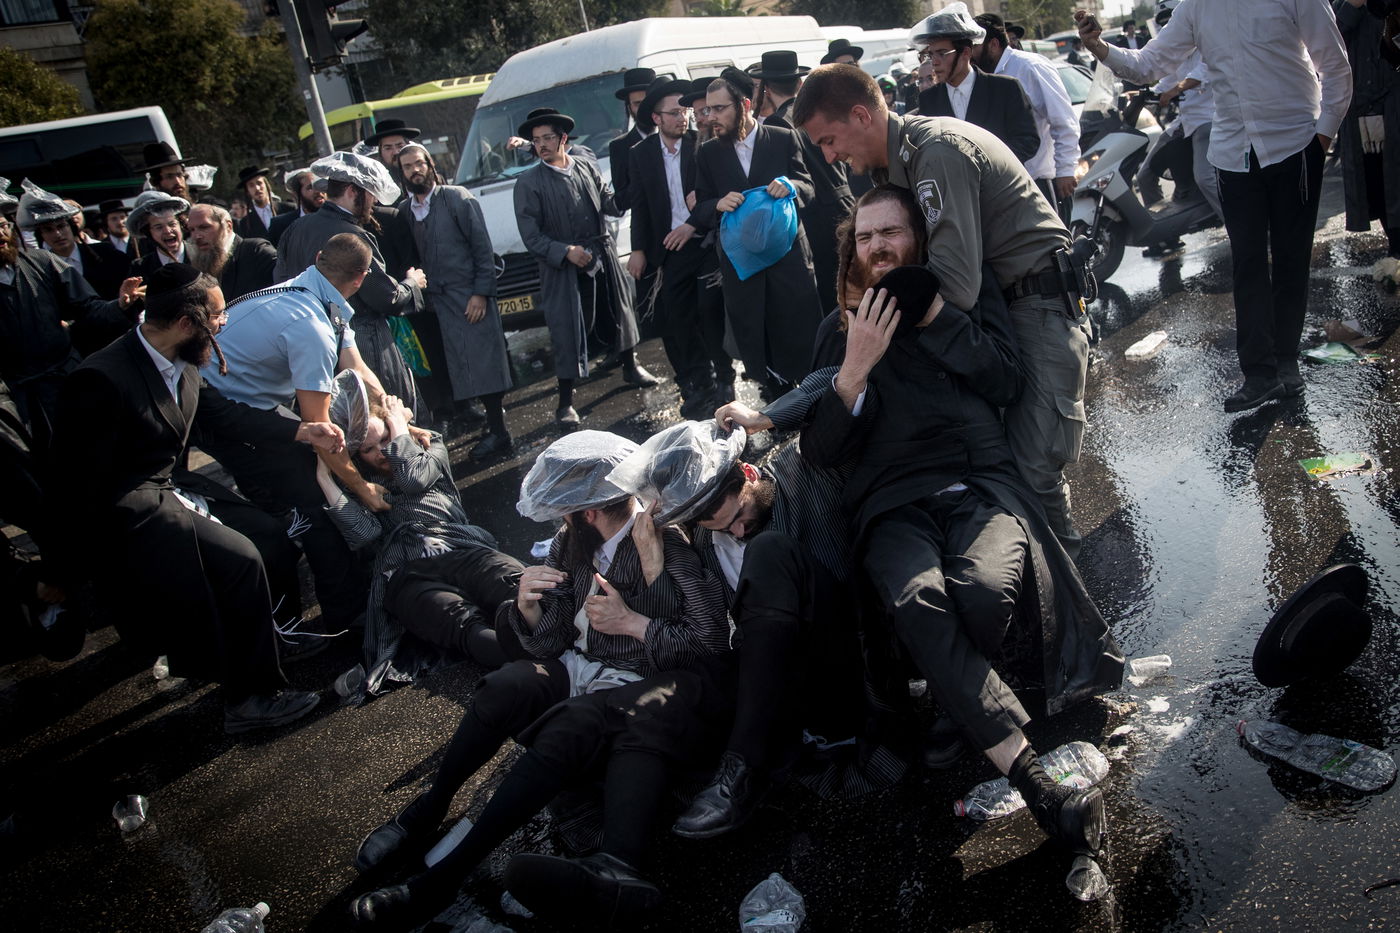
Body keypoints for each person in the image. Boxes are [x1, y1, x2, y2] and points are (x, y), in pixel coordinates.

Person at [794, 185, 1122, 866]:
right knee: (917, 596)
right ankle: (1036, 782)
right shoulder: (838, 329)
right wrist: (853, 368)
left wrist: (939, 314)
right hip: (891, 506)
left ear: (919, 239)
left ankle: (955, 706)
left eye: (892, 232)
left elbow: (1005, 380)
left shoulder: (962, 304)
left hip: (978, 485)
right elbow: (820, 451)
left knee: (977, 590)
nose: (878, 246)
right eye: (865, 236)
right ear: (850, 251)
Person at [349, 430, 729, 928]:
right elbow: (549, 643)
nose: (563, 521)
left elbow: (708, 643)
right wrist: (526, 608)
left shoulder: (666, 541)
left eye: (567, 511)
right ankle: (429, 806)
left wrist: (637, 614)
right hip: (580, 670)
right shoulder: (573, 544)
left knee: (568, 725)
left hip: (643, 685)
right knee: (510, 683)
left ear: (587, 510)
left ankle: (439, 881)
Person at [793, 65, 1092, 559]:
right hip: (1001, 304)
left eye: (828, 139)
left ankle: (1071, 595)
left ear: (862, 115)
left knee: (1034, 468)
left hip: (1037, 303)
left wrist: (869, 329)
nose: (830, 156)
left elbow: (952, 286)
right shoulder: (896, 164)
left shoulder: (936, 152)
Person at [48, 264, 338, 733]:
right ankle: (249, 697)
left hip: (171, 485)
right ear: (187, 324)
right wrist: (59, 571)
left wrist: (302, 430)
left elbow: (225, 415)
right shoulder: (100, 378)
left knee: (268, 534)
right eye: (218, 316)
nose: (224, 324)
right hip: (127, 505)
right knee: (239, 559)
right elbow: (71, 481)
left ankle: (270, 638)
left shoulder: (182, 361)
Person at [1076, 1, 1353, 410]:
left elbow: (1336, 68)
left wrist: (1322, 139)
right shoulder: (1197, 8)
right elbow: (1149, 63)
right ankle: (1259, 374)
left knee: (1292, 260)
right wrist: (1099, 46)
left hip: (1294, 144)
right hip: (1233, 154)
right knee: (1248, 263)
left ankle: (1286, 362)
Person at [608, 420, 872, 838]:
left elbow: (845, 397)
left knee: (767, 550)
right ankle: (739, 764)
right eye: (719, 527)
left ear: (747, 475)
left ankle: (741, 766)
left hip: (850, 646)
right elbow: (698, 638)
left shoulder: (797, 470)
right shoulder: (706, 544)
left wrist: (766, 415)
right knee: (714, 658)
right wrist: (653, 565)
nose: (737, 531)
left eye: (739, 516)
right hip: (794, 686)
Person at [199, 234, 405, 636]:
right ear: (362, 279)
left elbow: (358, 368)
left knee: (319, 480)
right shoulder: (310, 324)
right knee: (315, 505)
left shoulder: (315, 288)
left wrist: (396, 416)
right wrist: (363, 489)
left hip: (248, 398)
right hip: (219, 413)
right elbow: (320, 433)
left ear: (318, 257)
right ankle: (343, 621)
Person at [313, 373, 507, 690]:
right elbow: (364, 534)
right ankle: (535, 662)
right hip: (407, 571)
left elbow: (413, 479)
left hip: (459, 548)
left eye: (387, 439)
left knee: (510, 586)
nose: (380, 452)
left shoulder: (429, 445)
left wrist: (400, 427)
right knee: (460, 622)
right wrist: (327, 473)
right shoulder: (360, 484)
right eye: (368, 449)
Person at [513, 107, 658, 424]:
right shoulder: (528, 183)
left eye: (548, 138)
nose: (542, 145)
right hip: (563, 270)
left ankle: (630, 367)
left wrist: (634, 185)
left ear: (563, 138)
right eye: (536, 141)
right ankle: (565, 403)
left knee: (618, 312)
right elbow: (531, 236)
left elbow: (609, 202)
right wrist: (565, 251)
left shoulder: (585, 167)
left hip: (601, 254)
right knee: (568, 331)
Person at [694, 67, 824, 400]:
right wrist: (718, 204)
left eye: (720, 108)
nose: (711, 117)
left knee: (798, 328)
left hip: (789, 257)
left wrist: (790, 186)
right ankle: (776, 396)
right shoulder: (708, 153)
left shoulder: (782, 137)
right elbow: (700, 206)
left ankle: (811, 395)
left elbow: (809, 187)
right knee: (756, 329)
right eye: (708, 109)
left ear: (745, 105)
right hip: (742, 264)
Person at [275, 151, 428, 412]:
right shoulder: (353, 235)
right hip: (364, 345)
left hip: (312, 348)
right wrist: (413, 283)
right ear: (350, 190)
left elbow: (282, 283)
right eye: (369, 193)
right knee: (391, 420)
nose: (373, 201)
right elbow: (387, 298)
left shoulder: (295, 229)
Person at [395, 143, 514, 461]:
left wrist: (481, 293)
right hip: (437, 302)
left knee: (484, 362)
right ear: (401, 173)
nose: (414, 170)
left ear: (430, 164)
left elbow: (482, 248)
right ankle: (484, 425)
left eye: (418, 164)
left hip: (470, 295)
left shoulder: (456, 197)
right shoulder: (406, 211)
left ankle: (499, 431)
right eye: (407, 167)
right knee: (459, 366)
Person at [627, 78, 737, 419]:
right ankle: (696, 383)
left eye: (684, 111)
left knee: (710, 310)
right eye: (674, 113)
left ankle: (725, 378)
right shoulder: (641, 155)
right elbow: (640, 205)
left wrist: (698, 216)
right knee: (678, 317)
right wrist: (638, 249)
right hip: (668, 248)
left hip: (703, 241)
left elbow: (716, 194)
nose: (682, 118)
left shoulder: (701, 145)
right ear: (656, 119)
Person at [0, 210, 139, 449]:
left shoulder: (42, 262)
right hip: (16, 398)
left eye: (3, 225)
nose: (1, 234)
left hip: (65, 382)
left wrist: (120, 305)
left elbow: (88, 308)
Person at [760, 49, 857, 316]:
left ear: (766, 89)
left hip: (816, 217)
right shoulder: (820, 110)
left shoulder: (775, 124)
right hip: (848, 203)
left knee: (832, 299)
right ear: (800, 84)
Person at [1134, 0, 1222, 246]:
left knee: (1205, 178)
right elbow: (1166, 82)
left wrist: (1177, 88)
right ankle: (1165, 237)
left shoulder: (1209, 39)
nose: (1168, 28)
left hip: (1210, 118)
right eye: (1164, 23)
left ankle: (1243, 230)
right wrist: (1143, 94)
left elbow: (1205, 71)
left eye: (1171, 20)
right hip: (1185, 121)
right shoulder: (1175, 51)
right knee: (1145, 176)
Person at [973, 13, 1082, 211]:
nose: (969, 54)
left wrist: (1065, 170)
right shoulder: (980, 78)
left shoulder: (1030, 67)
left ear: (994, 44)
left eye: (974, 47)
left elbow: (1063, 120)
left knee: (1052, 242)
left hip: (1041, 182)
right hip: (1004, 188)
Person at [912, 3, 1042, 164]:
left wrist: (990, 165)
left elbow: (1028, 140)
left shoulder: (1005, 88)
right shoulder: (929, 99)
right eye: (931, 55)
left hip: (1002, 185)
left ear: (966, 52)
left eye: (942, 53)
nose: (935, 62)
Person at [1334, 0, 1400, 267]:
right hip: (1361, 107)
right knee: (1376, 182)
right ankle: (1394, 246)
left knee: (1396, 181)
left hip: (1394, 102)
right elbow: (1328, 42)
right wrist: (1353, 6)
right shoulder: (1342, 5)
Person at [17, 180, 130, 303]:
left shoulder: (106, 253)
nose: (57, 234)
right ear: (41, 236)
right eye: (49, 230)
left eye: (61, 226)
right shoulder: (41, 270)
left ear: (72, 227)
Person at [187, 203, 277, 303]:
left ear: (228, 226)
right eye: (192, 230)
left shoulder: (256, 251)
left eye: (204, 227)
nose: (196, 236)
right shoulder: (197, 263)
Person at [608, 67, 659, 211]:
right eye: (637, 104)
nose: (644, 109)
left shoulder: (678, 137)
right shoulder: (619, 147)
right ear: (629, 107)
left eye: (647, 102)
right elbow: (621, 200)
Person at [127, 190, 191, 276]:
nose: (167, 231)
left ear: (181, 224)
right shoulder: (141, 267)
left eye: (172, 224)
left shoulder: (201, 255)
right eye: (159, 227)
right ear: (148, 232)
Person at [268, 167, 324, 245]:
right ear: (297, 195)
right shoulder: (280, 225)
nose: (318, 191)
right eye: (310, 187)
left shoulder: (339, 216)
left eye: (319, 185)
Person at [234, 166, 283, 241]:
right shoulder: (245, 224)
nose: (257, 188)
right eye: (251, 185)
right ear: (247, 191)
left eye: (259, 183)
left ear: (266, 185)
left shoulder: (288, 208)